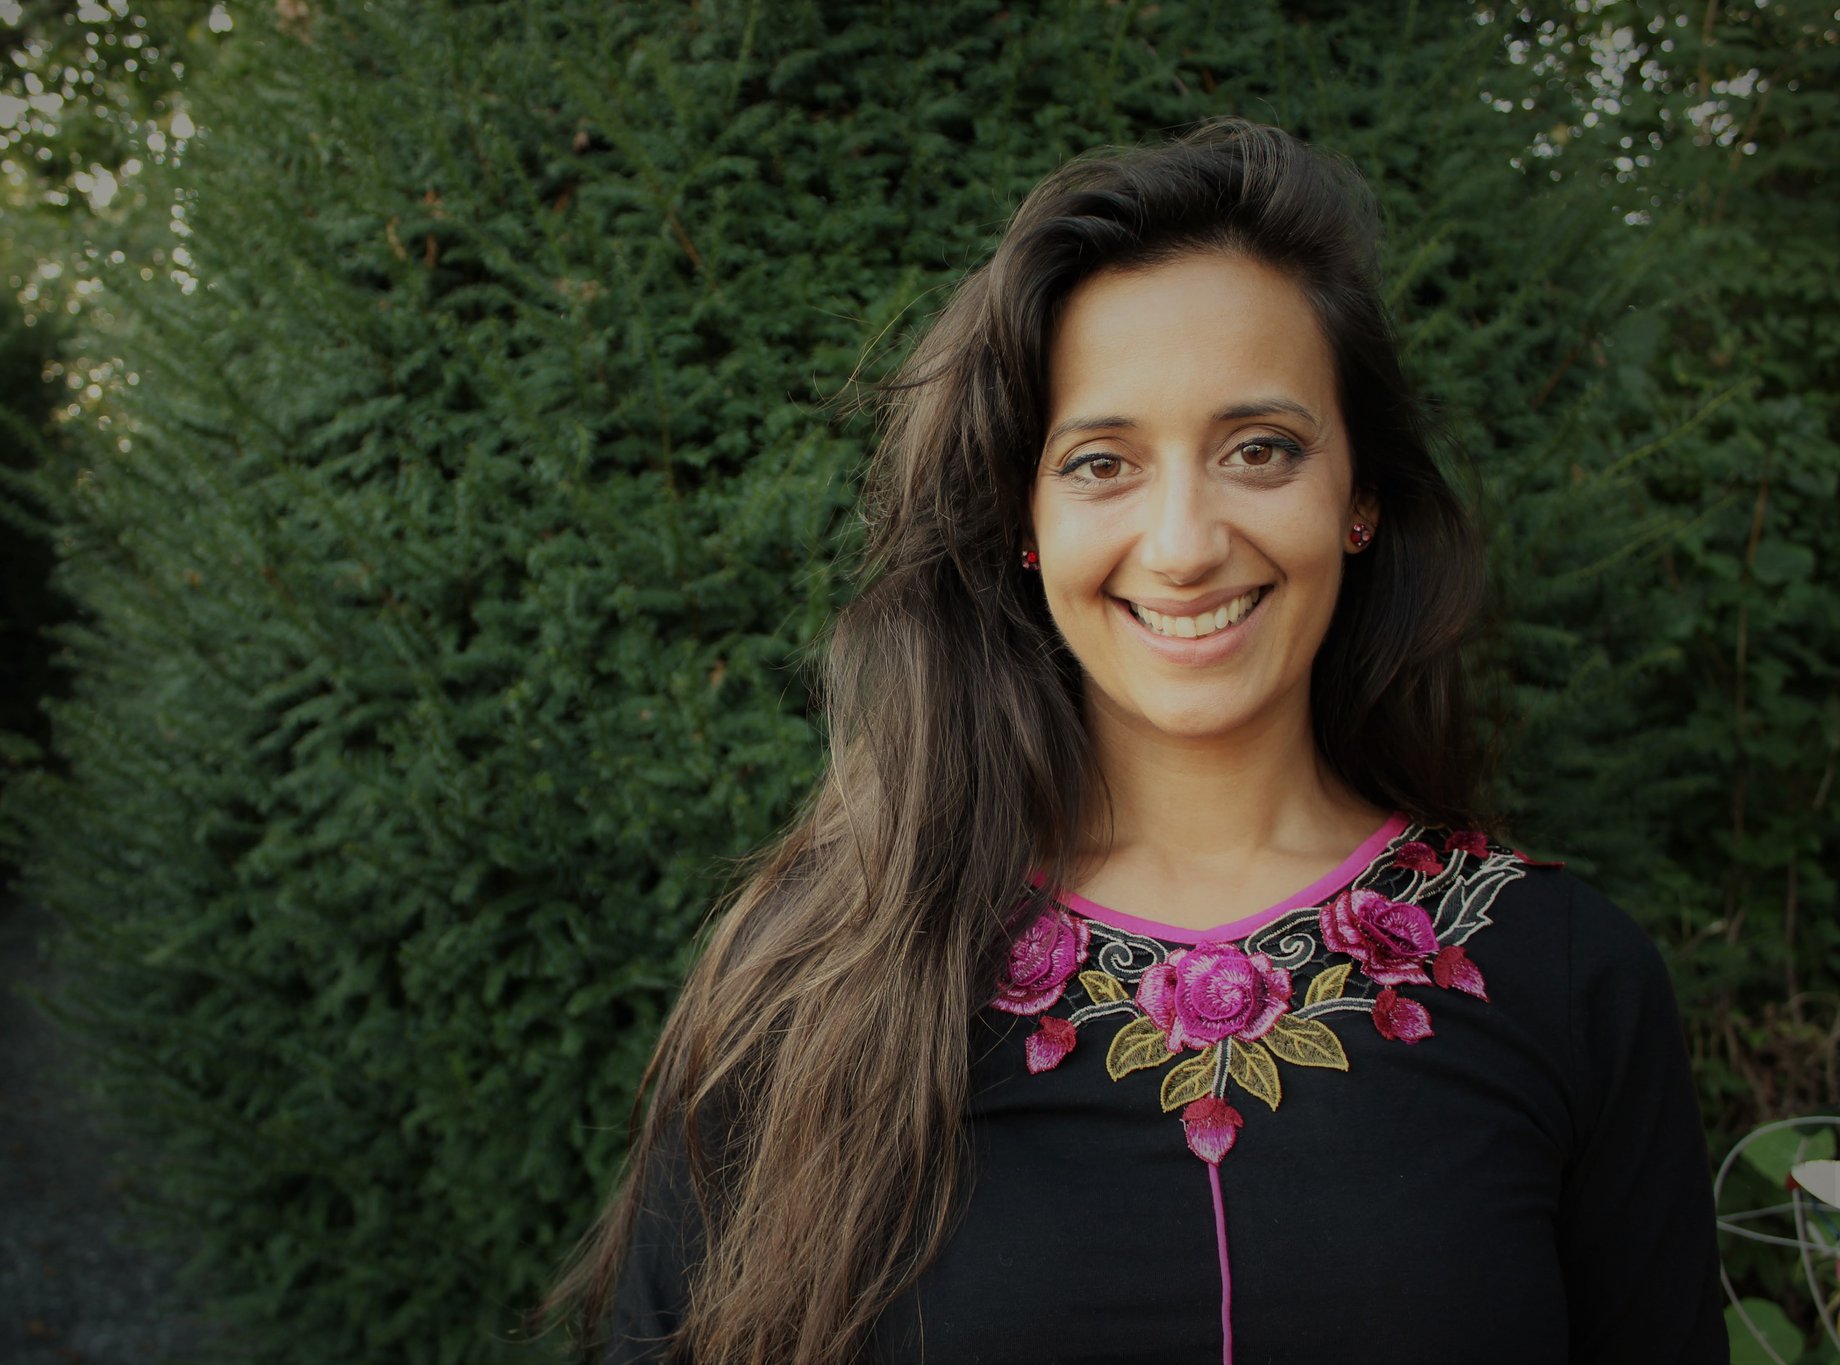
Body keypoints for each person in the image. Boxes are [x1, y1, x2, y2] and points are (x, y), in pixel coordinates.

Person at [553, 118, 1726, 1365]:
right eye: (1100, 462)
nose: (1181, 545)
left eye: (1258, 450)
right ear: (1022, 519)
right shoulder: (814, 981)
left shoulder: (1566, 976)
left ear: (1359, 496)